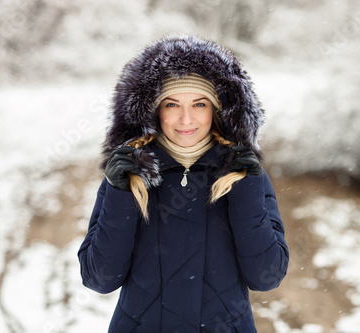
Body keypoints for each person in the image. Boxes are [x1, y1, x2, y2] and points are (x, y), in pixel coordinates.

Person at [78, 35, 289, 333]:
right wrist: (119, 194)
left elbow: (266, 277)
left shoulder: (244, 174)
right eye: (172, 104)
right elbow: (100, 278)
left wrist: (246, 190)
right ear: (153, 110)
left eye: (200, 104)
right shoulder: (128, 175)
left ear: (217, 110)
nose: (186, 118)